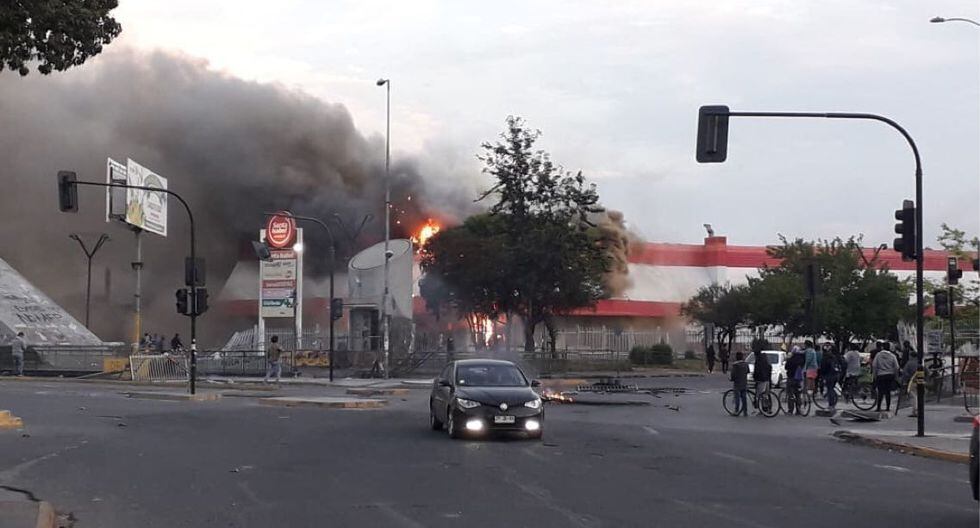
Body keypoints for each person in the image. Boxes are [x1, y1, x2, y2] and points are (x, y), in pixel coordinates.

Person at [872, 341, 899, 412]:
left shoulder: (878, 355)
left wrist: (875, 376)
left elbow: (874, 366)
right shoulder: (892, 356)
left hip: (880, 375)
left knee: (880, 392)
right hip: (890, 375)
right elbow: (896, 367)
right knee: (888, 392)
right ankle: (887, 407)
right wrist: (896, 376)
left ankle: (878, 407)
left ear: (882, 347)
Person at [819, 346, 841, 412]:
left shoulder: (825, 358)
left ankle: (831, 405)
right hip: (836, 375)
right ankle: (833, 403)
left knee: (830, 389)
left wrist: (822, 376)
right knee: (831, 388)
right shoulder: (834, 357)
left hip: (829, 375)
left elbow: (823, 368)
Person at [784, 346, 806, 415]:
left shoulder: (791, 359)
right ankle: (798, 410)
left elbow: (786, 367)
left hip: (791, 377)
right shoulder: (802, 359)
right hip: (799, 378)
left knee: (790, 394)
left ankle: (790, 410)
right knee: (798, 394)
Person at [730, 351, 749, 417]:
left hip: (737, 383)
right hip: (744, 383)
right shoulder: (746, 364)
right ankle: (745, 411)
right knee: (744, 398)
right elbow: (748, 371)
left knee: (737, 398)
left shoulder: (735, 365)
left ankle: (736, 411)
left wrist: (731, 379)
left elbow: (733, 374)